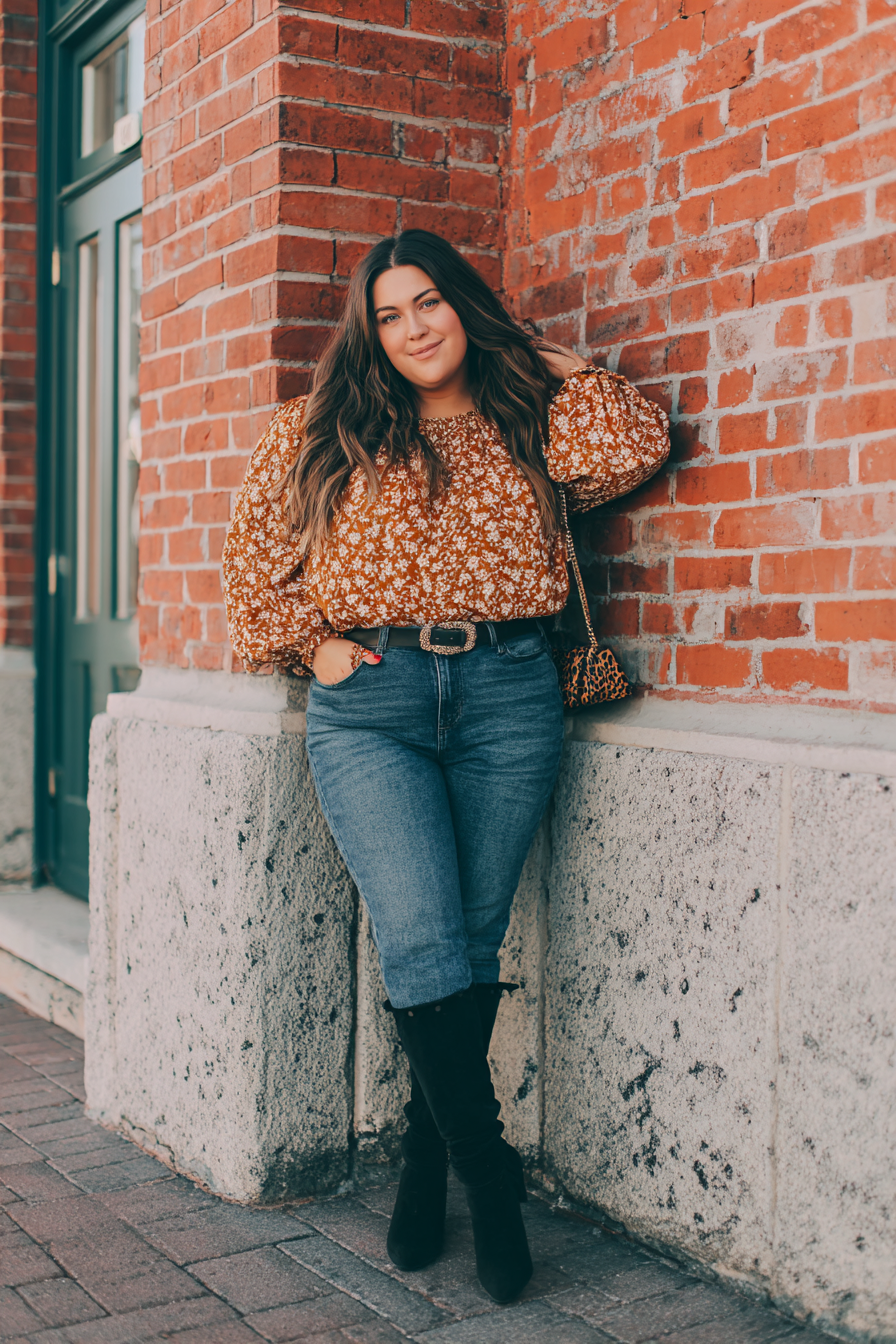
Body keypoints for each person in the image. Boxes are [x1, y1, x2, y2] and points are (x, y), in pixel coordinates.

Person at [222, 229, 669, 1303]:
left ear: (462, 308)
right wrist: (309, 647)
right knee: (423, 936)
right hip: (370, 705)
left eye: (431, 302)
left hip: (510, 693)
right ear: (367, 331)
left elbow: (633, 445)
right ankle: (490, 1176)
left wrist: (545, 359)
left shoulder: (527, 420)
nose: (414, 327)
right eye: (389, 312)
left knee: (467, 939)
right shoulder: (321, 428)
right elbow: (247, 563)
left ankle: (426, 1160)